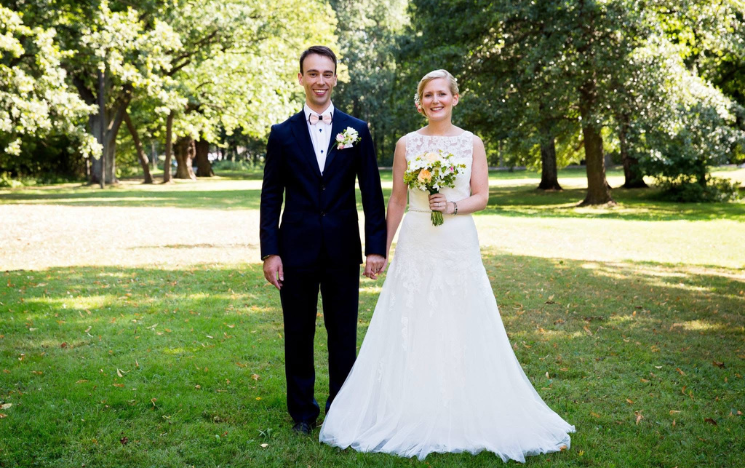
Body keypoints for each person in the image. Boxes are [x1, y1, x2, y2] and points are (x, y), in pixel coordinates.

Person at [319, 69, 575, 462]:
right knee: (413, 318)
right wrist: (381, 249)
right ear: (420, 102)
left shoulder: (472, 143)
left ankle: (463, 401)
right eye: (428, 95)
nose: (435, 100)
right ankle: (409, 404)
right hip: (418, 240)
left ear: (455, 98)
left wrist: (451, 206)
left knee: (461, 319)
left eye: (442, 93)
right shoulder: (407, 144)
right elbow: (398, 202)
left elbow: (482, 195)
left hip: (456, 240)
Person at [259, 46, 387, 435]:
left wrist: (376, 247)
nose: (320, 81)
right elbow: (270, 196)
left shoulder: (357, 130)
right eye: (312, 73)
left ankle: (342, 406)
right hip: (294, 249)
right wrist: (270, 252)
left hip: (342, 249)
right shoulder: (282, 134)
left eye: (327, 73)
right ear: (300, 79)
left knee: (343, 332)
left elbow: (372, 192)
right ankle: (302, 413)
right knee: (298, 332)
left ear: (336, 78)